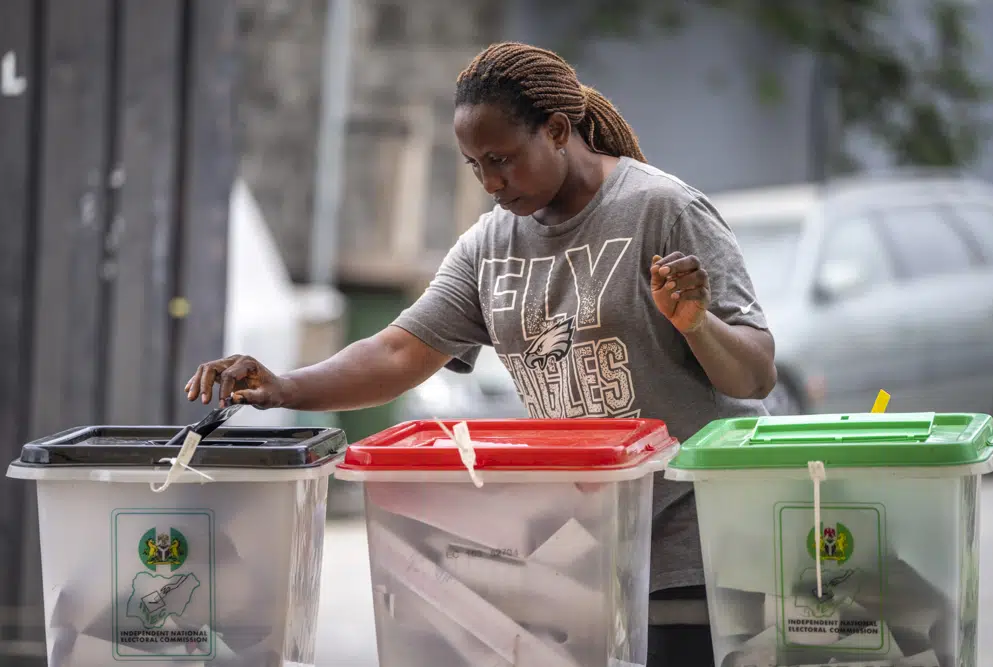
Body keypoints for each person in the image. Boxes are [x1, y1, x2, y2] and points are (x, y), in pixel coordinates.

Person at [185, 42, 776, 665]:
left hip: (698, 553)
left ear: (556, 131)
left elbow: (756, 372)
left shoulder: (663, 210)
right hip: (582, 554)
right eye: (475, 166)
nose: (492, 184)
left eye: (502, 160)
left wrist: (696, 324)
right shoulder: (490, 244)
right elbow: (398, 351)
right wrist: (286, 388)